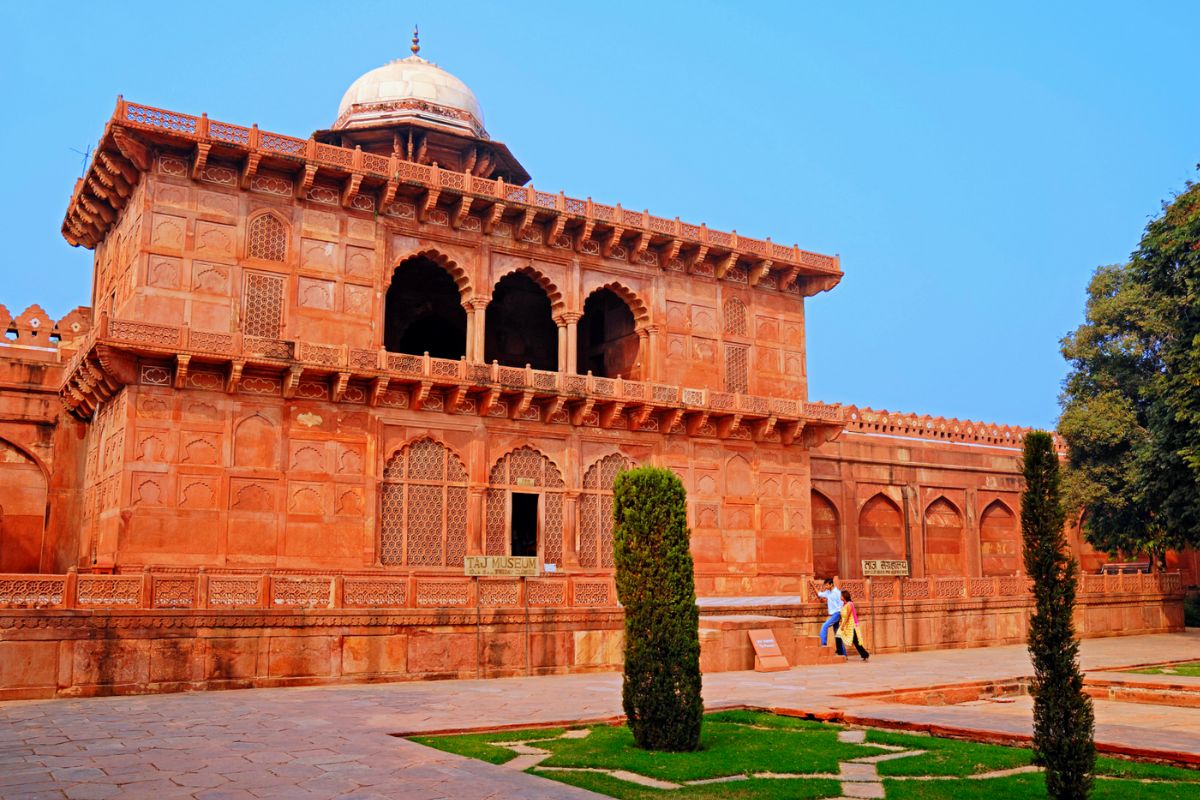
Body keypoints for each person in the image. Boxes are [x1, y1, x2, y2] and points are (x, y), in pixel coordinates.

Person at [816, 577, 846, 656]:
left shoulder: (837, 592)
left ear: (831, 584)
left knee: (824, 625)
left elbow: (842, 603)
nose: (825, 587)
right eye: (825, 585)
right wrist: (813, 585)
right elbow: (819, 594)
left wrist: (841, 614)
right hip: (833, 614)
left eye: (826, 585)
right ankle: (844, 654)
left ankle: (823, 644)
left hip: (837, 613)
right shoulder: (828, 592)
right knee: (837, 633)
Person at [837, 589, 870, 661]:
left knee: (855, 641)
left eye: (841, 596)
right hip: (845, 624)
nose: (840, 597)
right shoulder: (844, 605)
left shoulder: (849, 604)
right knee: (838, 636)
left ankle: (865, 654)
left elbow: (848, 616)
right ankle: (840, 653)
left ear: (844, 596)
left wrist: (843, 625)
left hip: (851, 625)